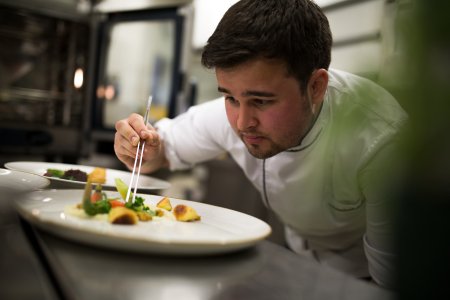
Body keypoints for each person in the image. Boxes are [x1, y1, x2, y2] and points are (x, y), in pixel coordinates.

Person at [114, 0, 407, 289]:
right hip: (299, 260)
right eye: (230, 97)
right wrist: (139, 146)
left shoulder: (381, 144)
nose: (242, 123)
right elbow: (163, 151)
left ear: (316, 87)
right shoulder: (236, 113)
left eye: (262, 101)